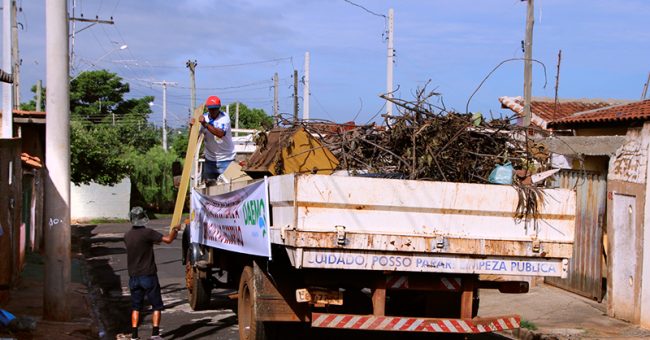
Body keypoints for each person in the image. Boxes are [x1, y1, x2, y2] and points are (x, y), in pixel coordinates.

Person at [123, 206, 180, 340]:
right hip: (148, 275)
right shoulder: (147, 232)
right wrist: (174, 230)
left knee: (136, 307)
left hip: (133, 277)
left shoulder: (127, 236)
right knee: (156, 306)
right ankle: (155, 334)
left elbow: (142, 244)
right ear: (143, 218)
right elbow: (168, 240)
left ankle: (134, 335)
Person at [190, 95, 235, 183]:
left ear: (219, 108)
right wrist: (191, 127)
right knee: (209, 187)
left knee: (227, 187)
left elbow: (220, 133)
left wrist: (205, 124)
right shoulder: (204, 118)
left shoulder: (224, 118)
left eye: (215, 109)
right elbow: (193, 139)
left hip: (226, 160)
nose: (213, 111)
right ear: (208, 109)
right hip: (210, 161)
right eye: (211, 109)